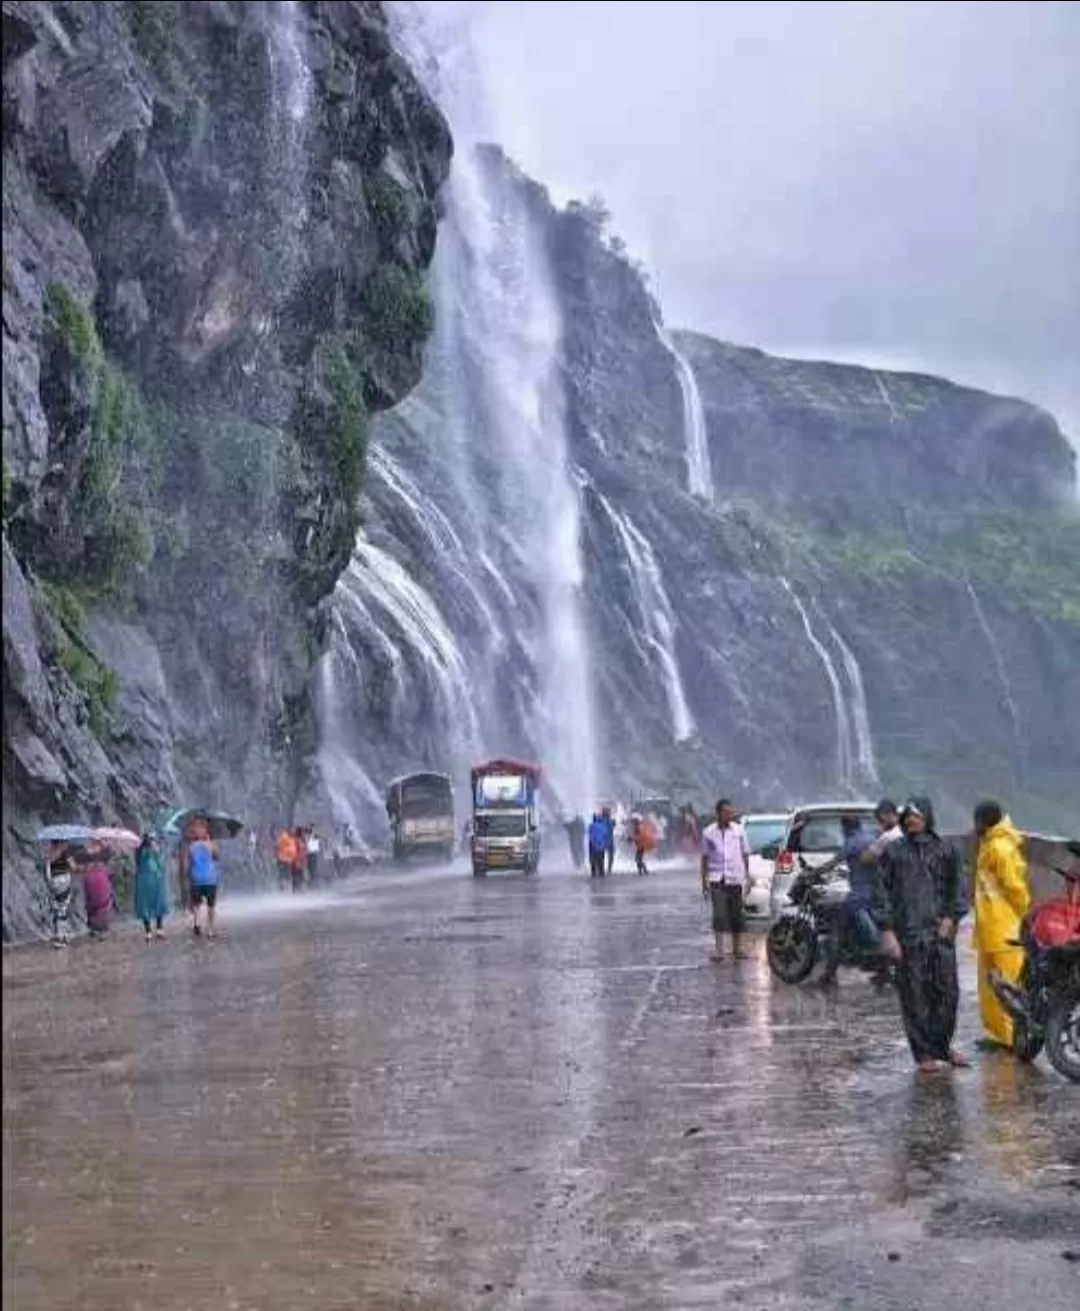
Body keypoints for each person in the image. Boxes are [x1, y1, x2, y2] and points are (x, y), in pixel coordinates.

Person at [874, 797, 968, 1073]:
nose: (912, 820)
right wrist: (887, 931)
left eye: (917, 815)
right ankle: (923, 1053)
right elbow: (881, 893)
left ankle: (942, 1045)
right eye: (908, 816)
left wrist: (952, 918)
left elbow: (959, 889)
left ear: (927, 816)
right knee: (915, 995)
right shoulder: (893, 852)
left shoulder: (947, 849)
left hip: (940, 934)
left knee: (948, 994)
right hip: (908, 934)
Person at [972, 800, 1030, 1051]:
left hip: (1004, 929)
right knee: (989, 987)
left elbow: (1016, 888)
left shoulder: (1001, 848)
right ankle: (997, 1034)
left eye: (975, 820)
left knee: (1008, 985)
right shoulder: (987, 844)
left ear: (984, 821)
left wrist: (1025, 918)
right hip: (988, 928)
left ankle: (1012, 1037)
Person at [819, 815, 881, 985]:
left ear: (845, 828)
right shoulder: (871, 838)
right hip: (877, 893)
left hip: (859, 896)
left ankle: (829, 973)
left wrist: (813, 873)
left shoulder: (851, 842)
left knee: (836, 927)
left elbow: (832, 863)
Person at [701, 799, 751, 961]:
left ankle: (737, 949)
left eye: (731, 812)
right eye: (726, 812)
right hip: (717, 878)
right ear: (718, 814)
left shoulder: (739, 831)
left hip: (735, 877)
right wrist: (704, 882)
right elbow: (704, 859)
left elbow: (745, 854)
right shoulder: (708, 833)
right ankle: (719, 951)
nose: (730, 815)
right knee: (719, 915)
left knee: (736, 915)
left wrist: (747, 876)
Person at [188, 818, 220, 937]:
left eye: (202, 828)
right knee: (200, 904)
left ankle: (207, 926)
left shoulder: (206, 844)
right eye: (198, 828)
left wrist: (210, 847)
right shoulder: (194, 846)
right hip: (201, 878)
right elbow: (190, 861)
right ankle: (200, 924)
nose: (200, 831)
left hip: (207, 878)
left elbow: (216, 857)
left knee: (208, 905)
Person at [134, 832, 169, 941]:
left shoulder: (139, 851)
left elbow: (138, 865)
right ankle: (159, 929)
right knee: (158, 902)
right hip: (155, 879)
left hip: (143, 880)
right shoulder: (155, 850)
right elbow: (161, 865)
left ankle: (148, 931)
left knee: (145, 904)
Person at [44, 842, 74, 948]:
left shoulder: (49, 853)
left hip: (53, 882)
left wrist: (50, 883)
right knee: (63, 909)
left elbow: (47, 870)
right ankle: (62, 937)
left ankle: (60, 934)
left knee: (57, 909)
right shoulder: (65, 852)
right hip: (64, 881)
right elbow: (73, 866)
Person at [82, 853, 114, 936]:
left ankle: (94, 927)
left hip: (93, 903)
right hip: (103, 902)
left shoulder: (87, 875)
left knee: (92, 909)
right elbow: (108, 888)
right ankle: (102, 927)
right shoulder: (103, 873)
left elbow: (86, 892)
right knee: (105, 905)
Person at [588, 812, 608, 879]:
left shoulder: (591, 826)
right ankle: (601, 873)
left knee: (593, 861)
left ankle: (593, 874)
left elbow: (590, 836)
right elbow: (605, 835)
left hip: (593, 846)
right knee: (601, 861)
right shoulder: (603, 826)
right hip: (601, 846)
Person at [276, 826, 297, 891]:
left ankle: (285, 887)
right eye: (292, 830)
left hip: (287, 860)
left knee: (287, 874)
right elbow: (279, 846)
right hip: (282, 859)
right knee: (283, 874)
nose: (293, 832)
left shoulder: (291, 838)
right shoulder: (284, 837)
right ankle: (282, 887)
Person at [291, 826, 308, 893]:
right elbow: (298, 852)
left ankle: (297, 890)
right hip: (297, 861)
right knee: (297, 876)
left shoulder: (299, 841)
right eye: (303, 832)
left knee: (298, 876)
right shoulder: (298, 841)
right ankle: (297, 890)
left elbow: (302, 851)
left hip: (297, 861)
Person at [601, 806, 616, 876]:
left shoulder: (602, 821)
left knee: (605, 856)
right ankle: (608, 869)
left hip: (605, 841)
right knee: (609, 856)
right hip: (607, 841)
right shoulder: (611, 821)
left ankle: (606, 869)